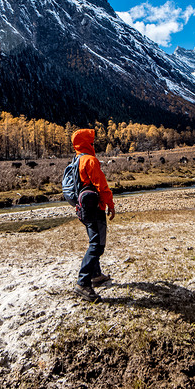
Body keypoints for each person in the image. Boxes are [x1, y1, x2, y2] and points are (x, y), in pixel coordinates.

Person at [71, 128, 115, 302]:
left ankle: (96, 275)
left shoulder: (75, 160)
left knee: (93, 240)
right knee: (97, 245)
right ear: (86, 143)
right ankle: (83, 283)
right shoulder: (90, 160)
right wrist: (110, 205)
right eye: (91, 141)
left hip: (82, 208)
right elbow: (102, 186)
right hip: (95, 208)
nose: (93, 143)